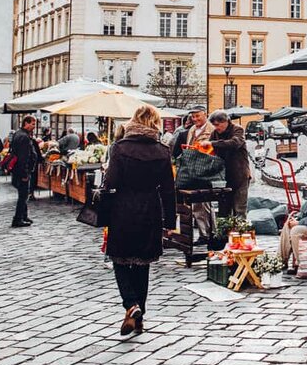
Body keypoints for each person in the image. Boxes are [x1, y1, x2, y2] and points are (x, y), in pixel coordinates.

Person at [103, 103, 176, 336]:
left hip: (123, 208)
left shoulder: (120, 148)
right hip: (150, 209)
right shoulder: (162, 150)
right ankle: (139, 317)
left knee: (120, 259)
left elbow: (111, 183)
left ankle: (131, 304)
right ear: (155, 123)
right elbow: (168, 190)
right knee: (142, 263)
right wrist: (170, 222)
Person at [180, 106, 214, 242]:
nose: (195, 119)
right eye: (193, 117)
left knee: (205, 203)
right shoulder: (192, 130)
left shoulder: (211, 129)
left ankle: (210, 233)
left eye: (197, 116)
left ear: (205, 114)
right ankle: (203, 233)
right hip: (192, 170)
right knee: (196, 205)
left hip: (206, 170)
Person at [209, 111, 251, 219]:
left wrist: (213, 144)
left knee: (239, 208)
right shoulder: (214, 133)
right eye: (214, 125)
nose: (216, 127)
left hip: (240, 174)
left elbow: (235, 143)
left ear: (226, 121)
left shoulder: (237, 129)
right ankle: (224, 234)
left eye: (218, 124)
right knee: (224, 209)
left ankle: (239, 234)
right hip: (223, 177)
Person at [9, 115, 40, 227]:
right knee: (23, 195)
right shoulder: (24, 137)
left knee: (24, 194)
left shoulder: (19, 134)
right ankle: (17, 219)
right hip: (21, 171)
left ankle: (23, 215)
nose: (34, 126)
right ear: (26, 123)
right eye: (32, 124)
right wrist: (25, 173)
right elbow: (23, 157)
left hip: (18, 170)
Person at [278, 199, 307, 274]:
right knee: (288, 224)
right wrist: (297, 218)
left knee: (295, 230)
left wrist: (299, 222)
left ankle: (301, 264)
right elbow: (306, 212)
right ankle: (280, 261)